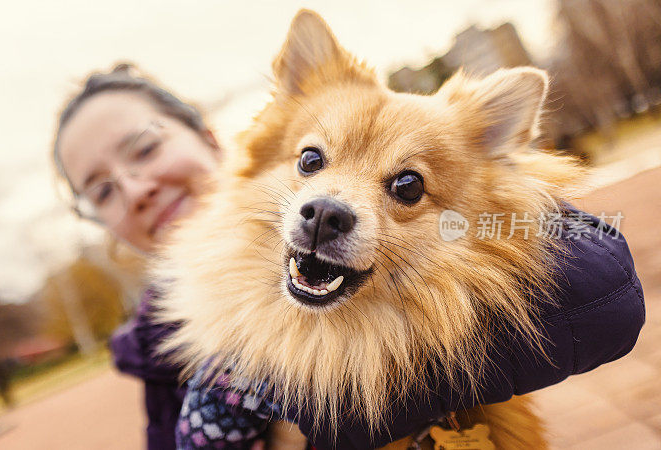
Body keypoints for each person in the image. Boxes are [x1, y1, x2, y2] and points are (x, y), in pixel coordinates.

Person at [52, 64, 645, 449]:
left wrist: (334, 394)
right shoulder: (154, 362)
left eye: (144, 148)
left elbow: (601, 289)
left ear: (208, 135)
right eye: (102, 189)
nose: (136, 189)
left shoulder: (472, 211)